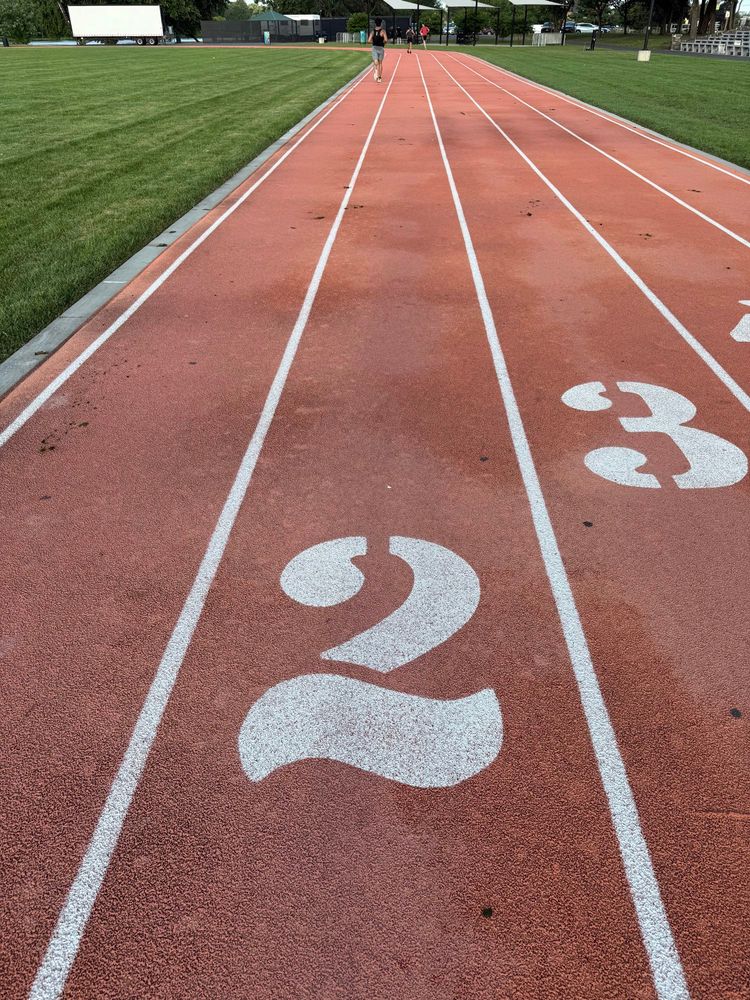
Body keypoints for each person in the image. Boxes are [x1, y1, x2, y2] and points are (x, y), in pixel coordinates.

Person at [368, 18, 388, 82]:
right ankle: (379, 78)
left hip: (374, 48)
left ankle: (376, 71)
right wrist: (382, 43)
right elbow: (386, 40)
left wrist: (373, 42)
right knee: (380, 63)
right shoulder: (383, 31)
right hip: (381, 48)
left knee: (375, 62)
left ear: (375, 24)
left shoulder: (373, 31)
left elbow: (368, 40)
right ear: (381, 23)